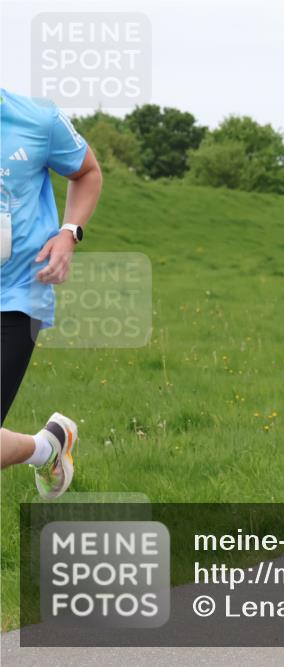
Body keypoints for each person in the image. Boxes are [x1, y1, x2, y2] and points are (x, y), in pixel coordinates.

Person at [0, 88, 102, 499]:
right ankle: (47, 447)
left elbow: (87, 172)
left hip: (17, 295)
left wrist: (68, 233)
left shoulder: (37, 119)